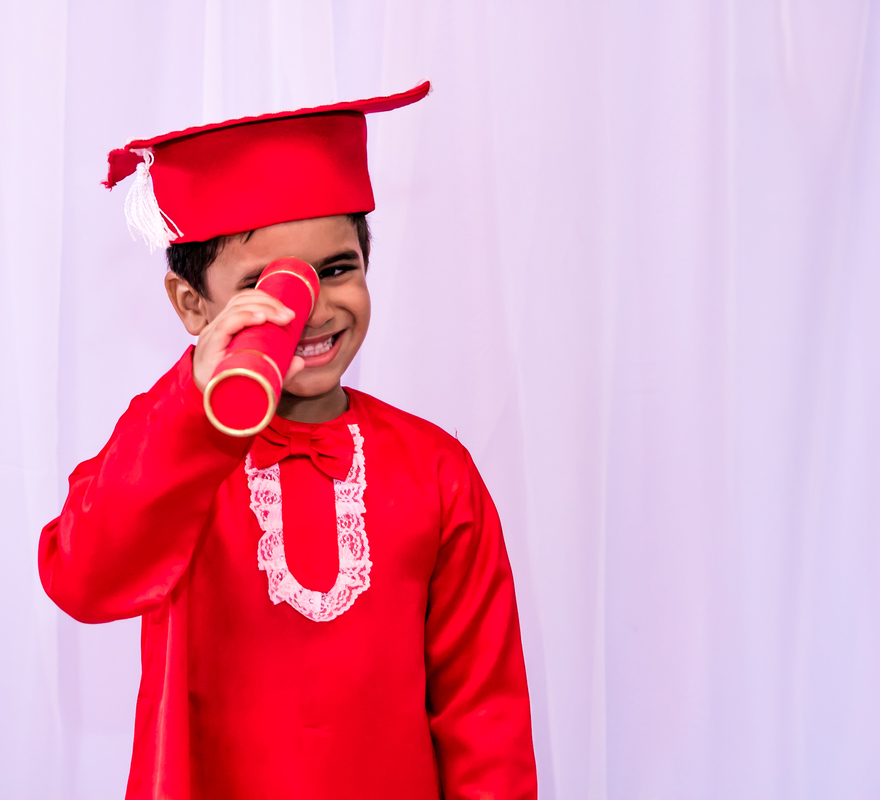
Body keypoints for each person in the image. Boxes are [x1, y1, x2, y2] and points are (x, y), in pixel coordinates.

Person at [39, 82, 537, 800]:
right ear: (192, 305)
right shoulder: (168, 450)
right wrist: (191, 404)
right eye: (266, 284)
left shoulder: (437, 470)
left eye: (338, 269)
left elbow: (482, 713)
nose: (309, 307)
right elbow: (84, 578)